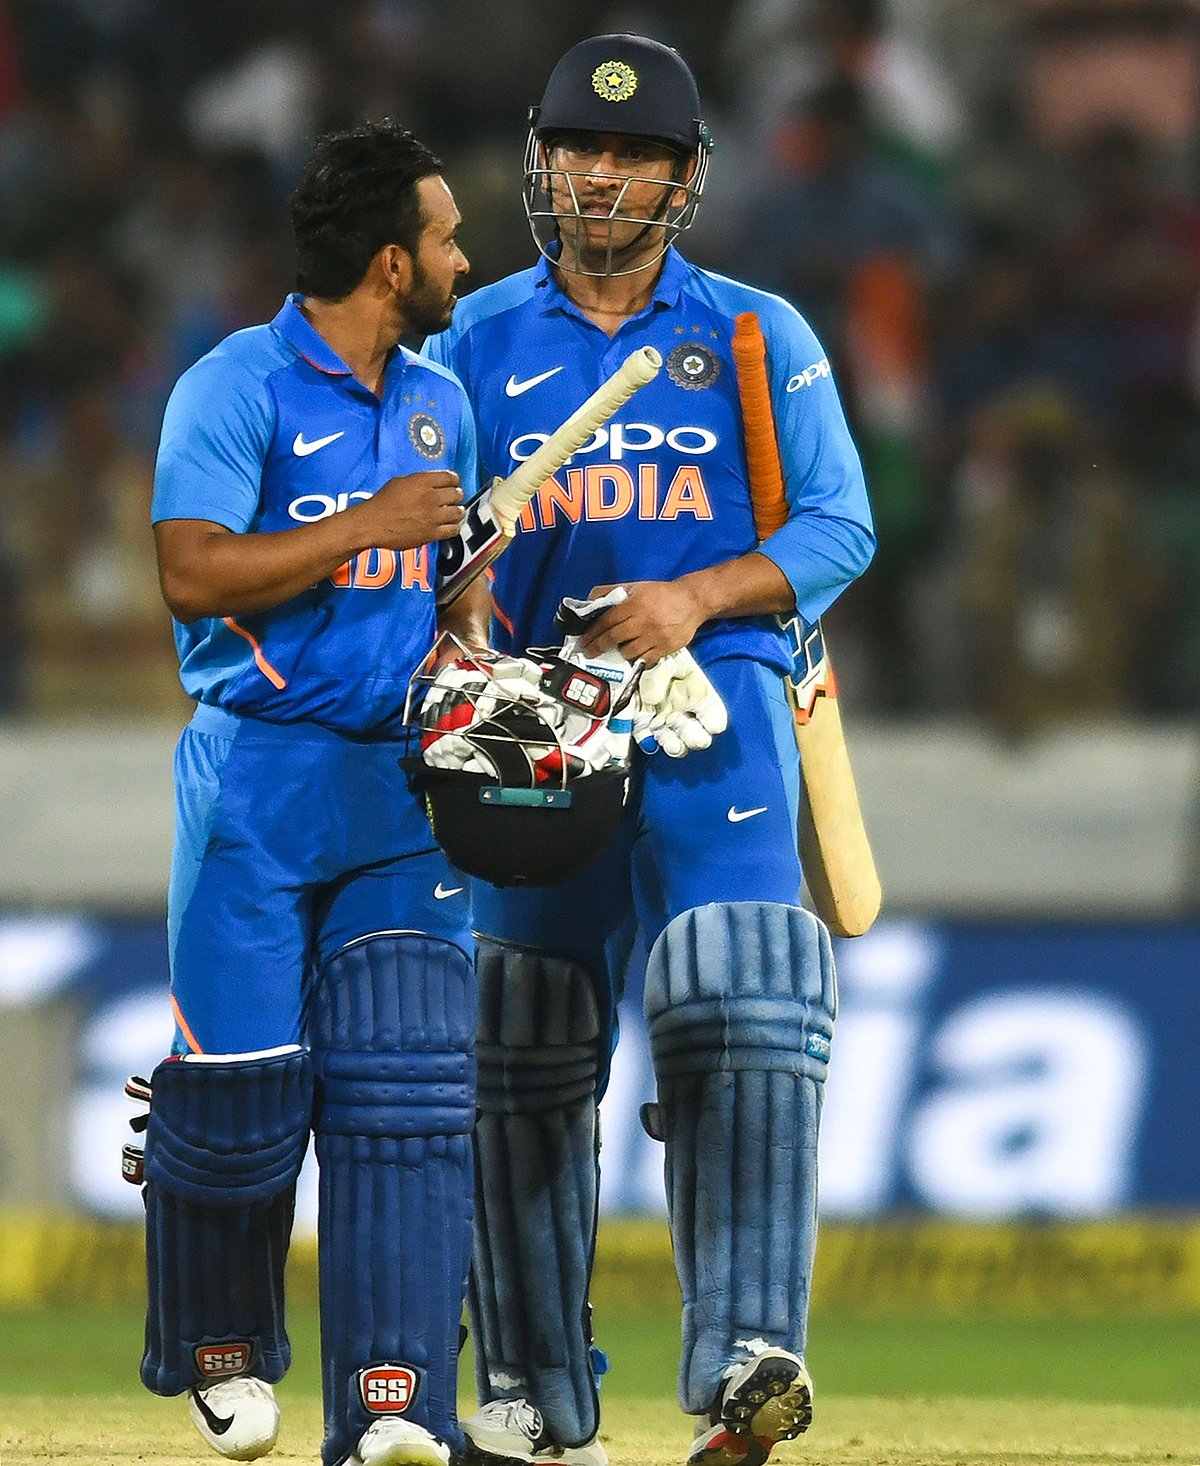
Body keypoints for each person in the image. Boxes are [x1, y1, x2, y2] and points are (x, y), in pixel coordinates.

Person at [423, 33, 874, 1466]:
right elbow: (423, 529)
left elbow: (836, 526)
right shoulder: (471, 339)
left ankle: (748, 1350)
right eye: (580, 149)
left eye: (635, 156)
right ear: (542, 161)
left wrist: (693, 595)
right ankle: (538, 1398)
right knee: (517, 1032)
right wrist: (455, 584)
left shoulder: (752, 333)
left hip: (711, 688)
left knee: (739, 981)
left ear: (685, 180)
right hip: (532, 710)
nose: (602, 175)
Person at [138, 118, 488, 1466]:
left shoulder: (439, 397)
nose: (470, 255)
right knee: (235, 1097)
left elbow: (447, 581)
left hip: (399, 782)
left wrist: (473, 645)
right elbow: (192, 575)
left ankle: (395, 1400)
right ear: (393, 262)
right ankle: (223, 1347)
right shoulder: (232, 388)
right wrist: (365, 523)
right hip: (259, 778)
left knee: (406, 1093)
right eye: (450, 235)